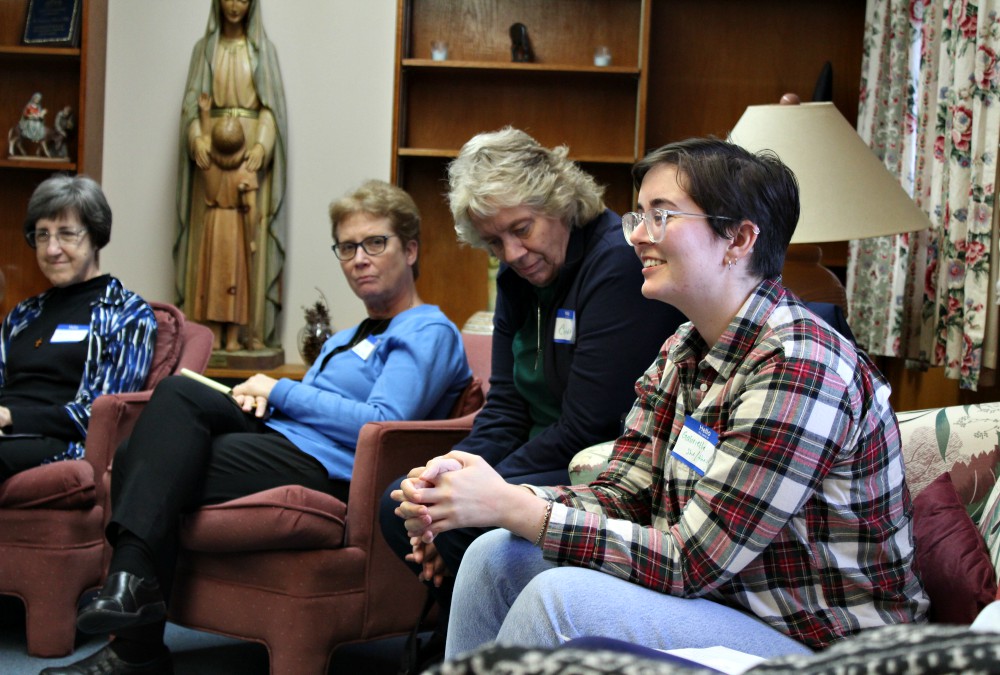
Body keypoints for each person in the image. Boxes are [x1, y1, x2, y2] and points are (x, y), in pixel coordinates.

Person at [393, 138, 929, 662]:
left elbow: (691, 562)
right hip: (727, 603)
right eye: (638, 217)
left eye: (662, 216)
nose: (637, 237)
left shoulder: (801, 366)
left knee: (557, 601)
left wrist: (513, 504)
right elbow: (623, 494)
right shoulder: (683, 349)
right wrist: (473, 493)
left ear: (739, 239)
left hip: (827, 643)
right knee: (494, 555)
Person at [46, 180, 472, 675]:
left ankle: (133, 637)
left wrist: (278, 390)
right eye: (348, 247)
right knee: (177, 399)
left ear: (411, 249)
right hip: (282, 440)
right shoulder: (346, 338)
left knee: (149, 464)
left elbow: (383, 419)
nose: (360, 258)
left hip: (330, 467)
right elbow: (300, 408)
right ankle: (132, 605)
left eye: (375, 243)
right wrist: (258, 401)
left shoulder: (428, 329)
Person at [378, 126, 686, 668]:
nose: (513, 253)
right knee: (404, 501)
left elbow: (588, 427)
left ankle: (477, 650)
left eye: (522, 230)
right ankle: (475, 642)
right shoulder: (518, 277)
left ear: (559, 201)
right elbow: (505, 408)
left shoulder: (616, 261)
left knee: (460, 520)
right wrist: (443, 474)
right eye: (494, 242)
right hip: (535, 458)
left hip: (597, 468)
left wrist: (479, 492)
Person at [0, 174, 156, 482]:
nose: (51, 249)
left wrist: (11, 417)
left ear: (95, 237)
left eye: (66, 235)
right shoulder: (24, 314)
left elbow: (103, 416)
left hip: (60, 443)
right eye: (42, 235)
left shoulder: (127, 314)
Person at [175, 0, 287, 351]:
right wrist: (196, 138)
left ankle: (245, 332)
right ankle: (203, 336)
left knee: (246, 244)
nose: (235, 6)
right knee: (210, 242)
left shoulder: (262, 51)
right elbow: (191, 105)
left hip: (249, 149)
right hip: (210, 148)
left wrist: (262, 147)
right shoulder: (204, 49)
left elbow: (270, 109)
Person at [190, 93, 259, 352]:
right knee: (234, 281)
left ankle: (215, 338)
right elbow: (251, 210)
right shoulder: (246, 171)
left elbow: (207, 140)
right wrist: (251, 238)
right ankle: (232, 340)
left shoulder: (207, 164)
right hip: (236, 226)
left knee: (213, 280)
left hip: (213, 223)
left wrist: (205, 114)